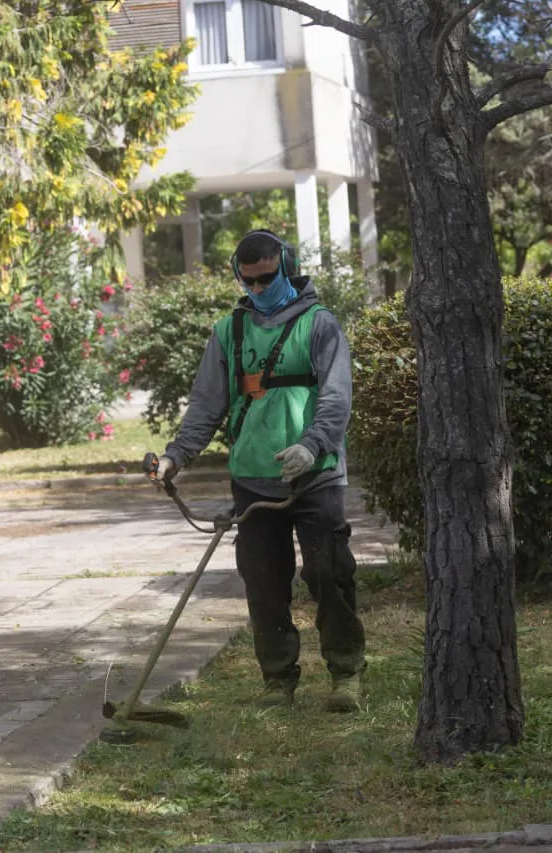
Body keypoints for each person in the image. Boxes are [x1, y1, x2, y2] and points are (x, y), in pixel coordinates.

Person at [153, 229, 366, 712]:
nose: (259, 289)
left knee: (328, 573)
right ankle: (277, 681)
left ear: (286, 269)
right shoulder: (228, 332)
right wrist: (175, 456)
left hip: (316, 475)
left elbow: (337, 399)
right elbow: (206, 405)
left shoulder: (320, 325)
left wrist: (312, 446)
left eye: (268, 278)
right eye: (249, 282)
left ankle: (347, 673)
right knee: (264, 585)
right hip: (252, 478)